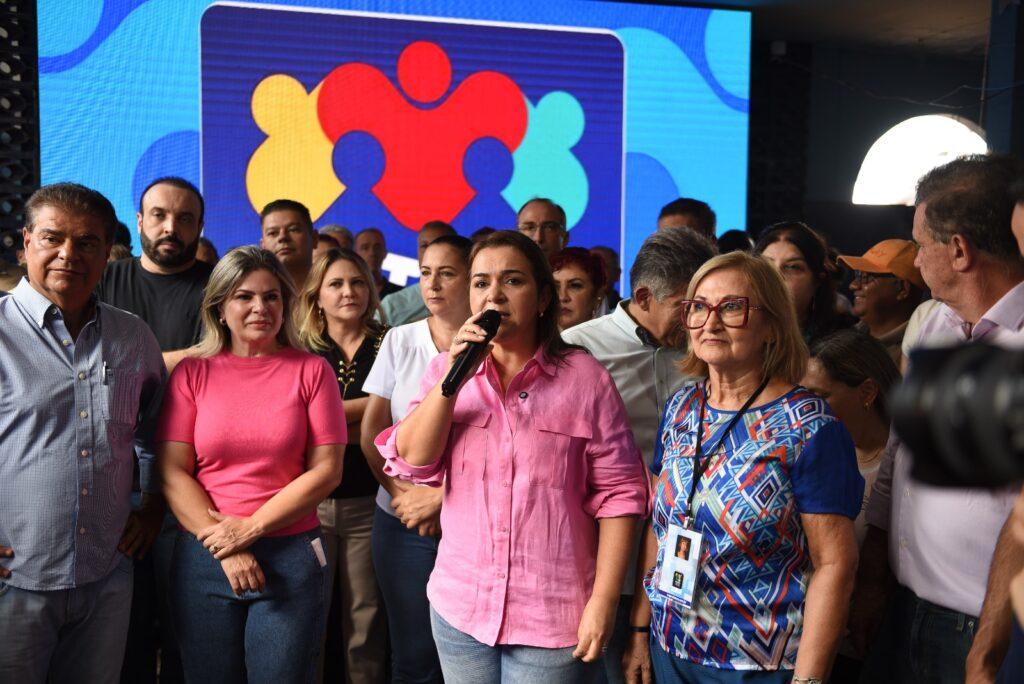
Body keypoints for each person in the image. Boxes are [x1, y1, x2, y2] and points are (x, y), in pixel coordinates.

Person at [375, 230, 648, 682]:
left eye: (512, 281)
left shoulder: (585, 379)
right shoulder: (448, 369)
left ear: (543, 298)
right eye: (481, 283)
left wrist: (603, 602)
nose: (494, 294)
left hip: (553, 615)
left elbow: (620, 496)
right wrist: (454, 379)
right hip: (462, 608)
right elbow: (415, 460)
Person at [625, 250, 863, 683]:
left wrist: (809, 679)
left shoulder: (810, 425)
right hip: (670, 647)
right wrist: (640, 630)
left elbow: (835, 564)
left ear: (772, 324)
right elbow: (661, 531)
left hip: (757, 663)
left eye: (732, 307)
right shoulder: (681, 406)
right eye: (698, 307)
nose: (710, 322)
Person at [856, 154, 1024, 684]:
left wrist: (986, 652)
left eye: (920, 242)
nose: (916, 259)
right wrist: (875, 576)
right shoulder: (934, 325)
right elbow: (899, 459)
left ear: (958, 250)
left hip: (981, 631)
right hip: (903, 606)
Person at [0, 183, 166, 683]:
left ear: (106, 254)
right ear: (26, 242)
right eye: (53, 238)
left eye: (87, 242)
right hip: (14, 582)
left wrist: (154, 503)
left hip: (106, 575)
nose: (68, 254)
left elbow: (157, 433)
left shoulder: (132, 335)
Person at [156, 246, 345, 683]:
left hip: (291, 555)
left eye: (272, 296)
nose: (260, 307)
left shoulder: (313, 371)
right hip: (206, 555)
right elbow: (172, 470)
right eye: (245, 296)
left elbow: (326, 470)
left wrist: (251, 528)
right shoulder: (192, 372)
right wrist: (229, 544)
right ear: (221, 307)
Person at [563, 228, 716, 684]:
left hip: (692, 540)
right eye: (689, 307)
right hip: (607, 537)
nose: (701, 321)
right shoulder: (580, 348)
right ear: (645, 296)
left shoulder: (708, 346)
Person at [97, 175, 214, 683]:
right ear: (140, 220)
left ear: (200, 227)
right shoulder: (106, 279)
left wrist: (134, 361)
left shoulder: (219, 286)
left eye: (185, 218)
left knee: (188, 625)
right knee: (124, 627)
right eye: (160, 215)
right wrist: (182, 357)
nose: (172, 227)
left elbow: (224, 366)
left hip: (197, 465)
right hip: (109, 460)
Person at [361, 234, 474, 684]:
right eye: (426, 272)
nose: (433, 284)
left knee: (465, 657)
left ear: (473, 280)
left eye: (447, 273)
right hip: (400, 521)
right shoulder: (399, 339)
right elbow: (372, 432)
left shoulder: (499, 343)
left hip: (470, 522)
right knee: (412, 655)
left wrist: (439, 499)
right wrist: (402, 494)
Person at [297, 247, 388, 683]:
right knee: (307, 617)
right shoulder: (298, 350)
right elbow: (295, 424)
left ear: (371, 292)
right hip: (307, 505)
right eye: (335, 283)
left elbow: (404, 416)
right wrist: (371, 412)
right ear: (317, 296)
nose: (348, 291)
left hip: (372, 502)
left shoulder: (392, 344)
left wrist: (327, 418)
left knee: (365, 617)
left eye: (357, 282)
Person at [756, 221, 856, 342]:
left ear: (817, 281)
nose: (775, 276)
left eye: (792, 267)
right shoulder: (739, 334)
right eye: (766, 265)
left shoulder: (841, 344)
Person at [837, 239, 924, 365]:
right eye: (858, 274)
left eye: (866, 277)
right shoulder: (846, 338)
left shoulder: (915, 354)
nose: (853, 285)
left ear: (902, 289)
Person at [380, 221, 457, 327]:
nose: (431, 251)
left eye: (438, 243)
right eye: (424, 245)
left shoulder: (474, 299)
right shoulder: (391, 304)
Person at [259, 198, 318, 291]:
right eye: (273, 233)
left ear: (314, 238)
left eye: (293, 229)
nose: (282, 237)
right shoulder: (255, 298)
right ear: (262, 246)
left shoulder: (339, 292)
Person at [551, 246, 608, 331]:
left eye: (575, 285)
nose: (562, 297)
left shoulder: (613, 342)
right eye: (555, 286)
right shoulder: (529, 341)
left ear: (598, 295)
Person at [355, 227, 403, 298]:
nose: (372, 253)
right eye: (365, 248)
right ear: (355, 255)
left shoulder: (400, 294)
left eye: (377, 247)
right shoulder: (347, 293)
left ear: (385, 253)